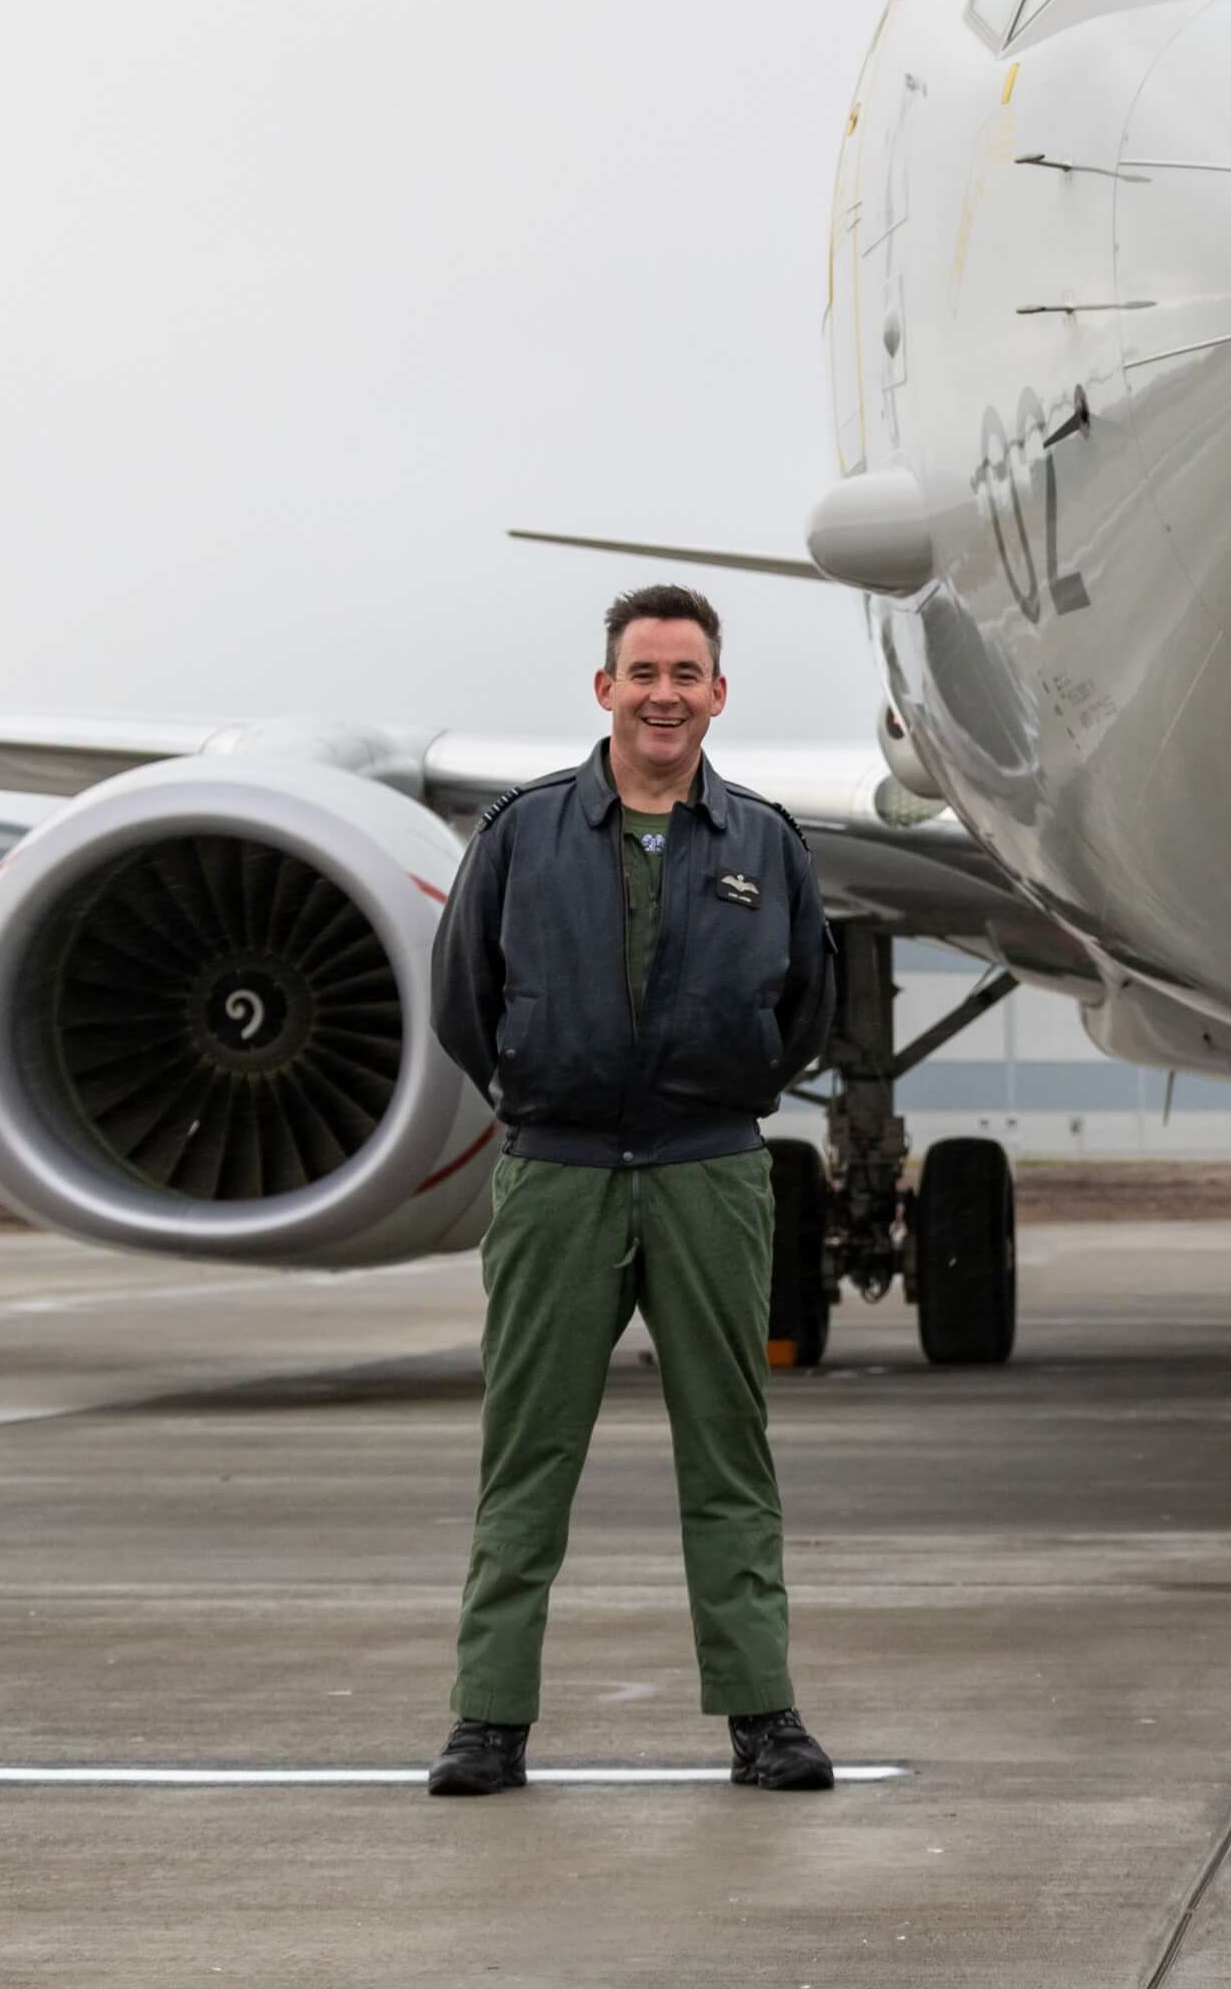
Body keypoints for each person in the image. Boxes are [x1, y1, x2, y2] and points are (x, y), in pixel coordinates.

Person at [421, 583, 839, 1796]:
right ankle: (487, 1722)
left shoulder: (765, 842)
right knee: (528, 1454)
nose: (665, 695)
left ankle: (764, 1718)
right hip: (557, 1178)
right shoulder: (522, 833)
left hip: (710, 1174)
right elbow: (464, 1001)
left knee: (729, 1453)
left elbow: (808, 1008)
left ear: (717, 693)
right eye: (643, 673)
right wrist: (543, 1082)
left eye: (687, 674)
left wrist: (728, 1083)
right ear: (606, 689)